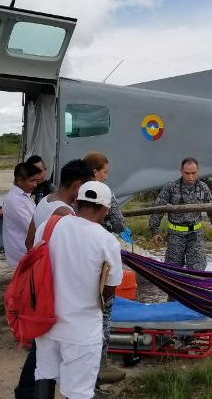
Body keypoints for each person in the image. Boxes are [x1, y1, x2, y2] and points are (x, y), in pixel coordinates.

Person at [33, 181, 123, 399]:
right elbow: (110, 288)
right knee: (79, 391)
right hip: (81, 330)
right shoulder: (106, 241)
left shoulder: (49, 226)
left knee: (44, 374)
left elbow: (35, 262)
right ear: (105, 209)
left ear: (76, 202)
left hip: (46, 323)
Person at [15, 159, 92, 399]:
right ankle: (29, 391)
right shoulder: (65, 213)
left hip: (38, 283)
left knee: (42, 345)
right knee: (48, 348)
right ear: (77, 185)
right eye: (87, 188)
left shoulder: (44, 202)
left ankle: (26, 391)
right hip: (53, 288)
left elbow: (29, 242)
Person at [81, 151, 129, 385]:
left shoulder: (74, 192)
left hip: (77, 260)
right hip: (100, 259)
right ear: (95, 172)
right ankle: (99, 368)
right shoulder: (104, 194)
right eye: (105, 172)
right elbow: (119, 223)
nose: (106, 177)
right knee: (102, 314)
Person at [149, 157, 212, 271]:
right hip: (175, 236)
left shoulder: (203, 188)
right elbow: (158, 210)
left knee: (197, 270)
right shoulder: (171, 187)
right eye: (187, 173)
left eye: (193, 173)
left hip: (195, 235)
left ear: (198, 171)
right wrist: (154, 231)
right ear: (181, 171)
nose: (190, 177)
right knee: (172, 270)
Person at [1, 162, 41, 268]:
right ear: (19, 180)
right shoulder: (14, 200)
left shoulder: (25, 196)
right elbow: (31, 227)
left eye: (36, 181)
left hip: (27, 250)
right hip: (21, 252)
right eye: (32, 181)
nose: (35, 185)